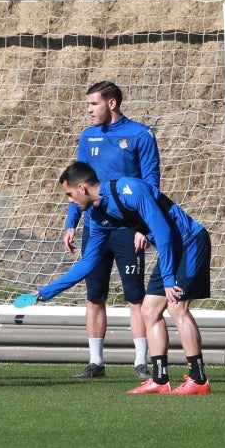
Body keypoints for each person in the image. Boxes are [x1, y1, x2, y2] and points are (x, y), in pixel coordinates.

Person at [36, 161, 212, 395]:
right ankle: (160, 380)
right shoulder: (97, 216)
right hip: (170, 250)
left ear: (82, 188)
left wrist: (169, 278)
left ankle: (198, 380)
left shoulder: (129, 190)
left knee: (176, 307)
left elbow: (163, 232)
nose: (70, 201)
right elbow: (88, 263)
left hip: (190, 242)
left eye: (69, 194)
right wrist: (47, 291)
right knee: (149, 311)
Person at [64, 81, 160, 379]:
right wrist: (71, 222)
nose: (89, 110)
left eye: (94, 104)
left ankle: (141, 362)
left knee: (135, 297)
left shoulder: (140, 135)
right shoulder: (88, 136)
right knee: (94, 296)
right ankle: (96, 363)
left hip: (128, 229)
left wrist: (145, 228)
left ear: (112, 103)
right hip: (95, 228)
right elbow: (77, 183)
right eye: (88, 104)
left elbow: (151, 185)